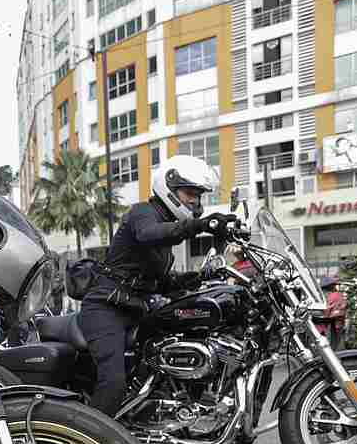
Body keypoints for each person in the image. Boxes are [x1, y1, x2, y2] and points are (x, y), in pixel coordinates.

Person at [79, 155, 240, 417]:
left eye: (198, 197)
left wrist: (202, 276)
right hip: (106, 308)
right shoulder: (142, 213)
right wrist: (203, 224)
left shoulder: (165, 246)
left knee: (159, 365)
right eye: (190, 193)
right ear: (169, 188)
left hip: (136, 311)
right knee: (114, 383)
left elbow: (165, 284)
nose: (195, 202)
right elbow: (148, 234)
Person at [317, 276, 347, 350]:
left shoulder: (322, 296)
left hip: (327, 326)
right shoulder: (336, 295)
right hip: (333, 326)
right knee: (335, 348)